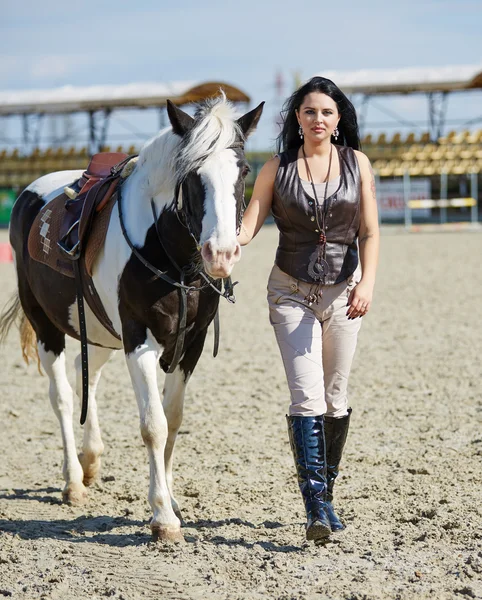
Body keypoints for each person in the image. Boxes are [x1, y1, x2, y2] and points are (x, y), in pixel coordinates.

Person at [237, 76, 380, 542]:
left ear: (338, 121)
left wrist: (367, 285)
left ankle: (326, 495)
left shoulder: (358, 164)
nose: (318, 119)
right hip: (290, 293)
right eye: (309, 111)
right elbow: (251, 223)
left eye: (326, 112)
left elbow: (370, 233)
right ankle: (316, 508)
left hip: (345, 292)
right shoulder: (273, 169)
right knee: (308, 397)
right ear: (296, 119)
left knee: (336, 400)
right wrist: (228, 246)